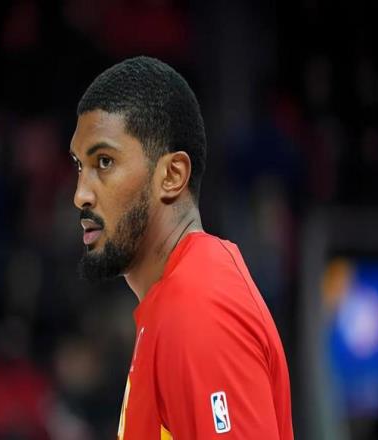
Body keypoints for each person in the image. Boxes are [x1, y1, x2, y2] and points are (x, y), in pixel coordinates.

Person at [69, 56, 293, 439]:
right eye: (79, 165)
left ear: (172, 175)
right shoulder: (175, 299)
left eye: (104, 162)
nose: (80, 195)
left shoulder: (200, 307)